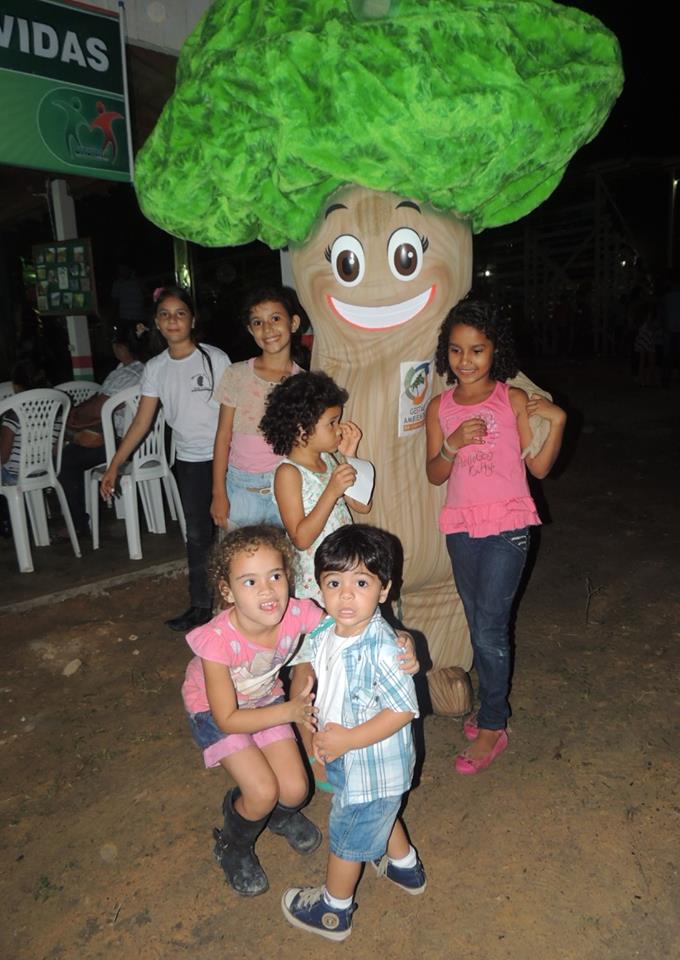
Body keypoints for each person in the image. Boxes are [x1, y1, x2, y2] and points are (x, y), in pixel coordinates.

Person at [180, 524, 418, 897]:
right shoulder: (216, 642)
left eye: (275, 576)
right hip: (217, 712)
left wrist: (401, 639)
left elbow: (353, 622)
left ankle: (275, 817)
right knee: (262, 791)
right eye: (249, 582)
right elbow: (228, 718)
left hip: (267, 700)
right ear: (227, 591)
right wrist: (291, 713)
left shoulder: (297, 613)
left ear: (288, 578)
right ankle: (233, 842)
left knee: (293, 791)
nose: (267, 590)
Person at [425, 300, 566, 775]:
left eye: (477, 350)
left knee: (489, 627)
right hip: (462, 529)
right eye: (456, 350)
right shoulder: (440, 407)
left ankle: (493, 725)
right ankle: (490, 705)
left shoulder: (513, 399)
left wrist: (559, 422)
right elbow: (434, 473)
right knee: (478, 623)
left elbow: (539, 467)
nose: (465, 360)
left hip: (507, 527)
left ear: (495, 351)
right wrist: (452, 444)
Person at [282, 524, 423, 942]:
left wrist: (345, 740)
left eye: (361, 583)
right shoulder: (328, 629)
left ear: (384, 590)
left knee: (348, 835)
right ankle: (405, 868)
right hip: (350, 759)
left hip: (370, 764)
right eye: (334, 583)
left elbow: (403, 710)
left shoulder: (382, 647)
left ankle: (334, 910)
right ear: (320, 587)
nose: (346, 595)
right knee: (375, 814)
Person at [100, 287, 231, 631]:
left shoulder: (214, 359)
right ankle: (201, 605)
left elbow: (234, 412)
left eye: (180, 313)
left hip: (229, 456)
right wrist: (115, 465)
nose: (173, 320)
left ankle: (240, 604)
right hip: (189, 461)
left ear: (193, 320)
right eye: (165, 314)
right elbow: (141, 421)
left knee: (235, 529)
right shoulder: (156, 368)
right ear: (156, 323)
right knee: (197, 535)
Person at [260, 371, 370, 602]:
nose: (339, 429)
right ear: (302, 429)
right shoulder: (288, 473)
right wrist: (331, 491)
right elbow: (300, 539)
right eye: (332, 423)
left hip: (344, 564)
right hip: (316, 576)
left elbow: (362, 505)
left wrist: (350, 458)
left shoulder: (328, 460)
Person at [210, 286, 304, 529]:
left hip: (287, 488)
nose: (268, 328)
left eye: (275, 318)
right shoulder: (236, 374)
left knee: (287, 554)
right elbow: (223, 436)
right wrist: (218, 492)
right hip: (242, 490)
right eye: (258, 322)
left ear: (293, 323)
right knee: (240, 553)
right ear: (251, 330)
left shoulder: (304, 382)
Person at [56, 328, 145, 538]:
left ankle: (77, 523)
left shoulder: (127, 375)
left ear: (120, 347)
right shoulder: (144, 369)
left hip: (122, 444)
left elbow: (100, 407)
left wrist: (75, 414)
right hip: (141, 443)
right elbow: (100, 401)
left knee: (63, 459)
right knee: (72, 445)